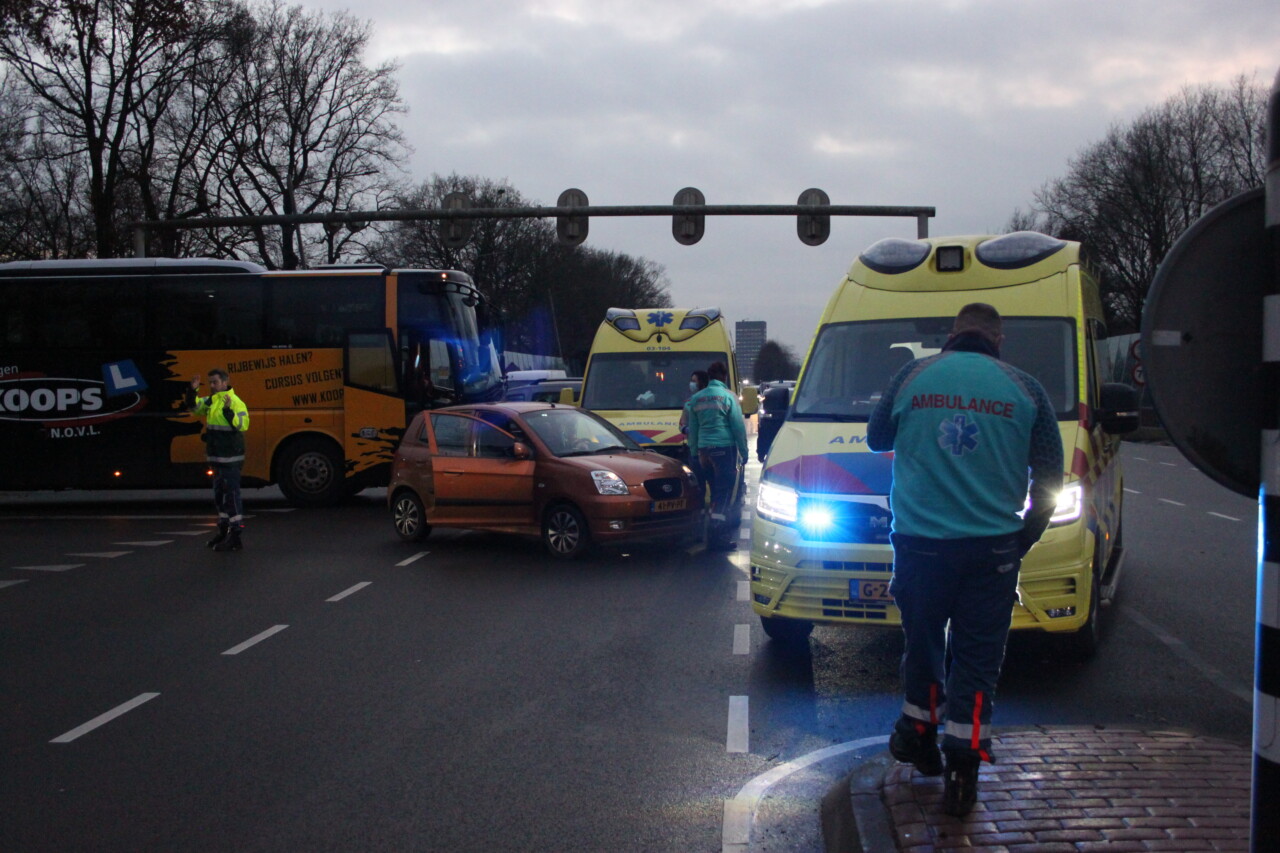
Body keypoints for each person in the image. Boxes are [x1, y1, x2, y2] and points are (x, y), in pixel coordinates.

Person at [866, 303, 1063, 817]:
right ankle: (963, 765)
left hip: (920, 543)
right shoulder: (1027, 389)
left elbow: (876, 436)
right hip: (992, 549)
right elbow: (1049, 479)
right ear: (999, 340)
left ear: (953, 335)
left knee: (924, 640)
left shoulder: (912, 375)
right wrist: (1022, 539)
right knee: (977, 658)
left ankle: (915, 730)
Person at [186, 368, 251, 552]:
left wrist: (229, 411)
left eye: (215, 382)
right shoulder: (212, 400)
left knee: (231, 497)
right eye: (211, 382)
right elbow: (194, 408)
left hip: (230, 458)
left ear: (225, 382)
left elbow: (242, 425)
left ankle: (236, 536)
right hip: (217, 459)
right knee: (220, 498)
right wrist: (192, 391)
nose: (212, 386)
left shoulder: (236, 402)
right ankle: (224, 531)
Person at [686, 361, 747, 551]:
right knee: (724, 494)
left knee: (713, 491)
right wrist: (744, 453)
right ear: (724, 377)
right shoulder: (728, 396)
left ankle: (708, 532)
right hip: (724, 449)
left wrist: (695, 452)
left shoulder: (696, 399)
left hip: (704, 450)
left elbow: (693, 430)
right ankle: (717, 536)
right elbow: (738, 427)